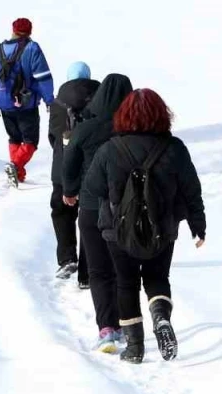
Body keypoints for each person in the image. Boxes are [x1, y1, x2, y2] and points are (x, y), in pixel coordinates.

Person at [86, 88, 206, 364]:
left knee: (126, 284)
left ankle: (135, 348)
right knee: (157, 278)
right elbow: (191, 190)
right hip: (163, 228)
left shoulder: (108, 150)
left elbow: (92, 188)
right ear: (161, 115)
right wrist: (198, 225)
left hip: (118, 230)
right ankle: (161, 315)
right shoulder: (174, 148)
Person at [62, 73, 133, 353]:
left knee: (99, 270)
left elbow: (69, 162)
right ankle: (128, 324)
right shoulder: (133, 128)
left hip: (92, 206)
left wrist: (70, 190)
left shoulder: (85, 128)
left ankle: (107, 329)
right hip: (127, 207)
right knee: (123, 269)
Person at [0, 18, 55, 186]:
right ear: (30, 31)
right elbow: (43, 77)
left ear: (13, 30)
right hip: (26, 104)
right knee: (31, 141)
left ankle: (18, 175)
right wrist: (50, 100)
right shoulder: (32, 48)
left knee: (14, 138)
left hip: (4, 105)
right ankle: (15, 165)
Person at [49, 61, 100, 284]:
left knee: (62, 212)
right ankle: (87, 273)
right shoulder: (100, 97)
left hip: (62, 167)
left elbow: (53, 136)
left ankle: (67, 259)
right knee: (90, 216)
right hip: (92, 167)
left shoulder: (58, 101)